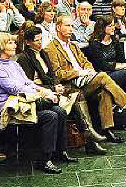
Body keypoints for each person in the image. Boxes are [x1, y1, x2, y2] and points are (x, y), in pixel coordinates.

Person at [44, 13, 126, 142]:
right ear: (58, 27)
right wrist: (79, 73)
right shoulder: (51, 48)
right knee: (103, 76)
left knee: (105, 91)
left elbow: (86, 62)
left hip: (86, 80)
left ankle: (107, 129)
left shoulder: (73, 45)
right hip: (71, 86)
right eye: (67, 26)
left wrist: (89, 71)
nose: (71, 29)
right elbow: (58, 73)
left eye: (71, 26)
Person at [0, 33, 68, 174]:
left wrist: (44, 91)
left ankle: (60, 151)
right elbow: (15, 89)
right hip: (11, 107)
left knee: (59, 111)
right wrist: (45, 94)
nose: (14, 45)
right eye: (10, 43)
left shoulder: (14, 63)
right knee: (50, 115)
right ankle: (44, 160)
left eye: (14, 42)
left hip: (26, 101)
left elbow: (27, 82)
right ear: (1, 46)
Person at [19, 24, 107, 153]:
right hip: (40, 91)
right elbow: (29, 83)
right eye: (36, 40)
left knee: (79, 93)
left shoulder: (42, 53)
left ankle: (89, 138)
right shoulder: (24, 58)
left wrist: (56, 85)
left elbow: (52, 73)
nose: (40, 43)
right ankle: (88, 135)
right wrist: (53, 87)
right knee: (77, 94)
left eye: (41, 39)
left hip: (52, 87)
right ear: (28, 42)